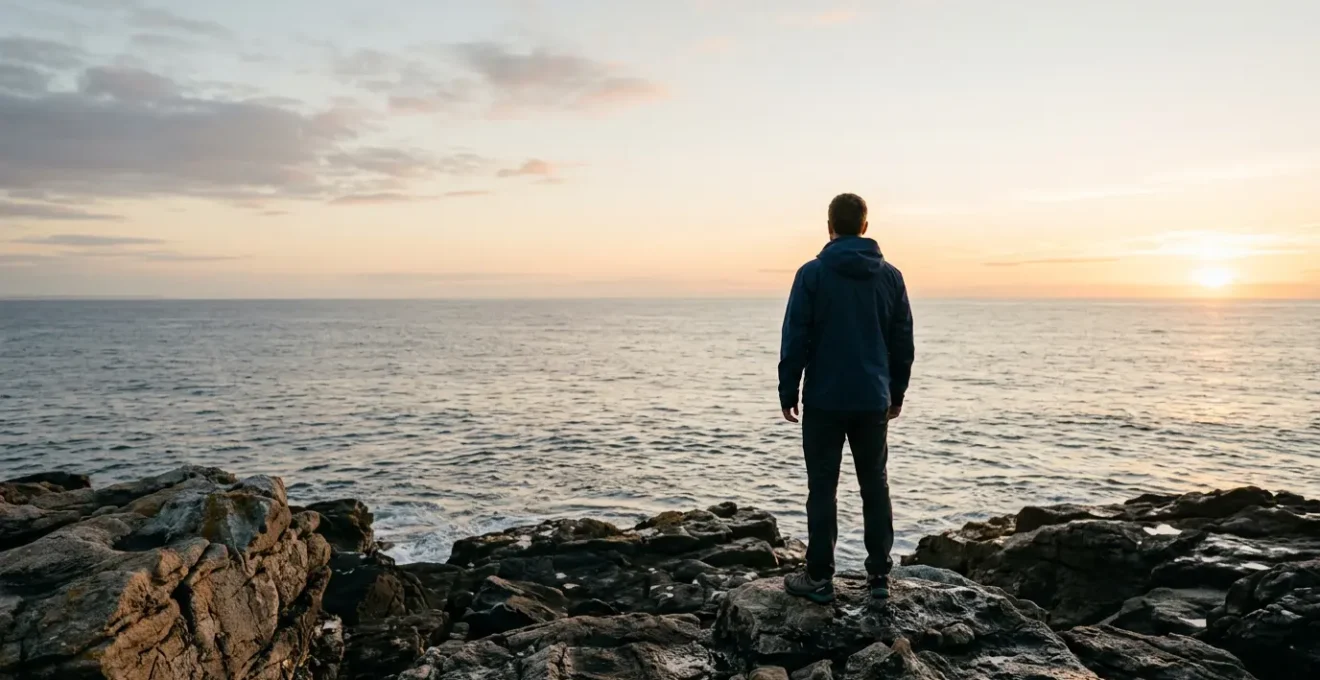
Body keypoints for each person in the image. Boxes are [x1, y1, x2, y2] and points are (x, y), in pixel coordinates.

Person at [777, 192, 915, 605]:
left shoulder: (812, 274)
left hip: (823, 399)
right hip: (872, 398)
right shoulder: (890, 277)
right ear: (865, 227)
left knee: (823, 488)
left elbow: (795, 336)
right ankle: (878, 579)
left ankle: (819, 576)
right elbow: (902, 342)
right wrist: (896, 393)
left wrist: (789, 389)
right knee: (875, 484)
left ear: (829, 227)